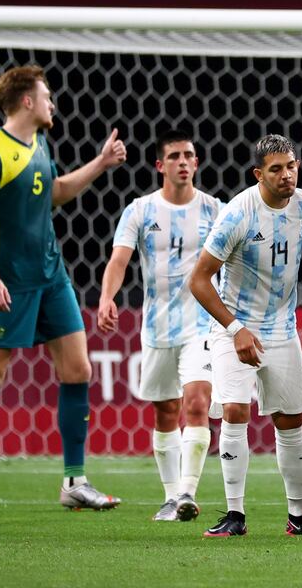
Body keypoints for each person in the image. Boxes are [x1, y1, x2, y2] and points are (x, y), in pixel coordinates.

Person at [0, 65, 126, 514]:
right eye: (46, 96)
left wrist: (101, 163)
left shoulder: (40, 144)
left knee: (78, 369)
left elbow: (55, 192)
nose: (52, 103)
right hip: (9, 280)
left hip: (52, 277)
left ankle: (75, 480)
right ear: (27, 101)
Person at [189, 134, 302, 537]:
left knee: (291, 421)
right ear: (259, 173)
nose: (286, 174)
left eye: (291, 165)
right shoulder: (239, 213)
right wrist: (235, 328)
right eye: (275, 168)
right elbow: (199, 280)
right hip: (233, 329)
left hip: (282, 330)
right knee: (236, 412)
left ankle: (300, 516)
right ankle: (234, 515)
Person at [98, 130, 221, 521]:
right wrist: (107, 297)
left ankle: (187, 492)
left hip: (202, 323)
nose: (183, 162)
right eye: (174, 156)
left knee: (198, 402)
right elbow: (119, 260)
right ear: (160, 165)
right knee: (166, 411)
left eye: (189, 155)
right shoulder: (140, 211)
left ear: (197, 163)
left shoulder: (215, 210)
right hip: (157, 326)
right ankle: (171, 497)